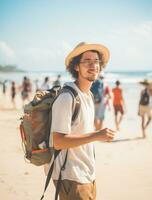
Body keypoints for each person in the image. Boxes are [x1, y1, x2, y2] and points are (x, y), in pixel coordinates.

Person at [48, 42, 115, 200]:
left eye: (96, 61)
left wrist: (97, 136)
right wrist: (97, 135)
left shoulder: (88, 95)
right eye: (87, 61)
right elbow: (58, 142)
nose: (93, 65)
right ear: (76, 66)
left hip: (87, 173)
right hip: (70, 175)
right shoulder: (67, 98)